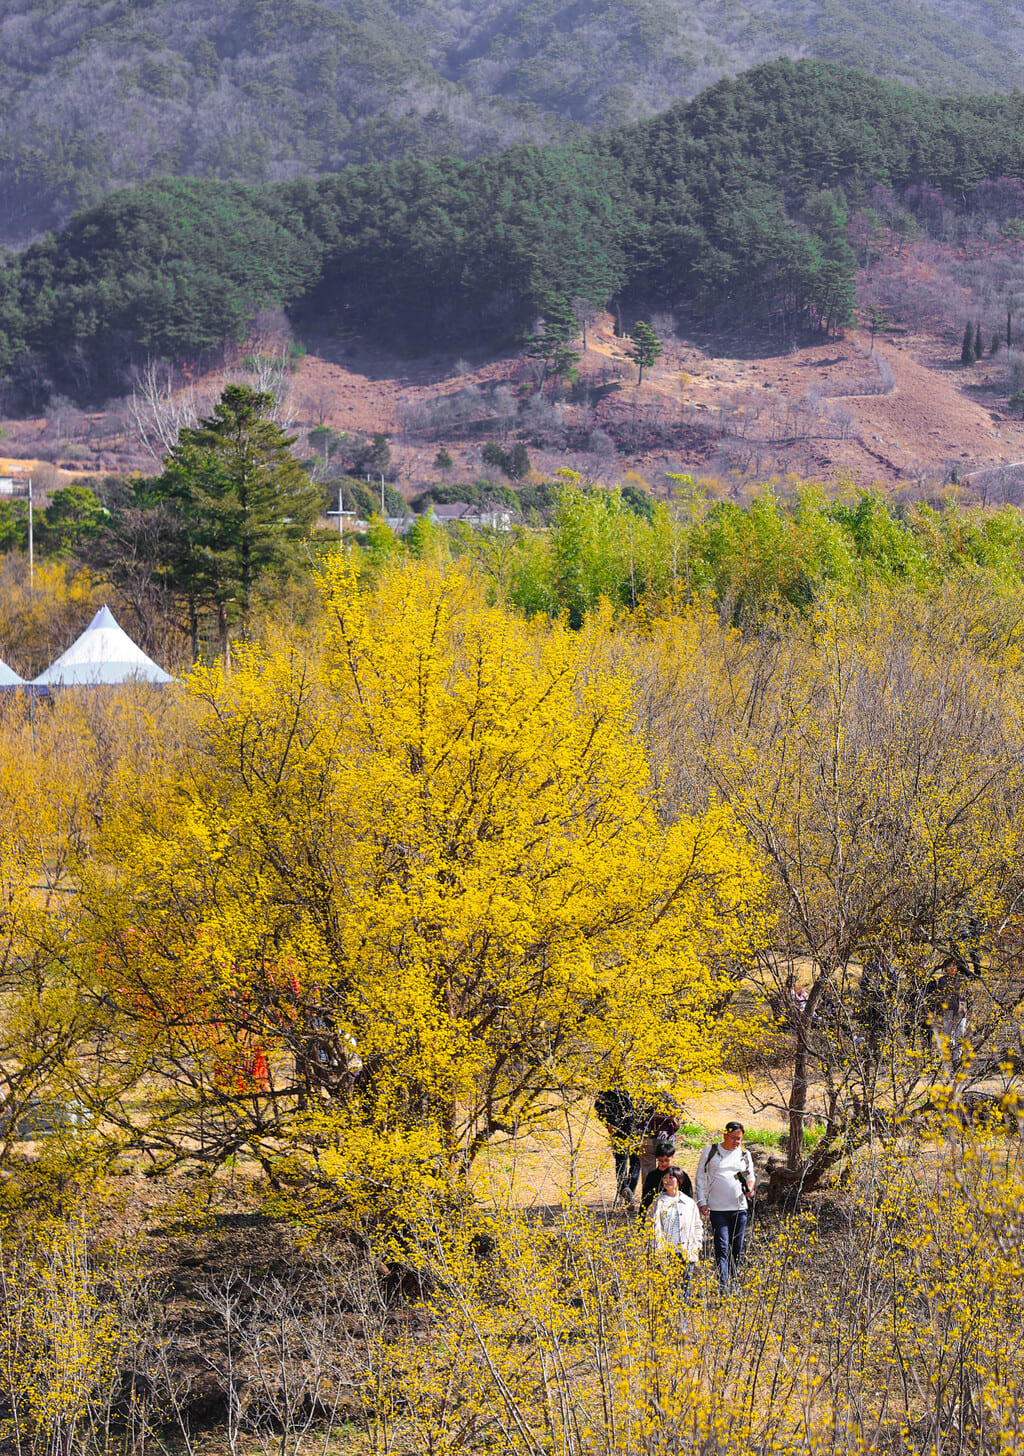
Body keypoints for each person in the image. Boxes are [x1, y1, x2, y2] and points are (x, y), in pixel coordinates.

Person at [695, 1121, 755, 1291]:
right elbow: (700, 1177)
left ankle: (733, 1280)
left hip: (739, 1208)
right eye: (734, 1138)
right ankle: (723, 1284)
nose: (737, 1142)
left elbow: (750, 1176)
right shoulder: (711, 1151)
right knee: (721, 1246)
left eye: (740, 1139)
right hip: (718, 1209)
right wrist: (702, 1201)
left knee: (737, 1247)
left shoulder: (744, 1154)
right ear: (725, 1135)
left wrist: (750, 1188)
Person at [651, 1167, 703, 1295]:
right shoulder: (657, 1202)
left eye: (671, 1177)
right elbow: (651, 1225)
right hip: (666, 1252)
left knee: (685, 1288)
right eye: (665, 1178)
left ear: (679, 1181)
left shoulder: (689, 1203)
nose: (667, 1181)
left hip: (686, 1250)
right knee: (667, 1290)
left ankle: (683, 1314)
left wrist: (697, 1244)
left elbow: (697, 1224)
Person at [595, 1083, 640, 1206]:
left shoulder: (637, 1084)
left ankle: (628, 1191)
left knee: (636, 1160)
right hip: (617, 1129)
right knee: (621, 1161)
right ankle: (624, 1190)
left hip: (636, 1129)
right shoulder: (608, 1087)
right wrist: (608, 1124)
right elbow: (598, 1107)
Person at [640, 1135, 693, 1213]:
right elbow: (645, 1200)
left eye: (667, 1160)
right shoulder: (652, 1176)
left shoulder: (680, 1175)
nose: (664, 1163)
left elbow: (688, 1197)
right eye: (661, 1161)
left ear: (673, 1158)